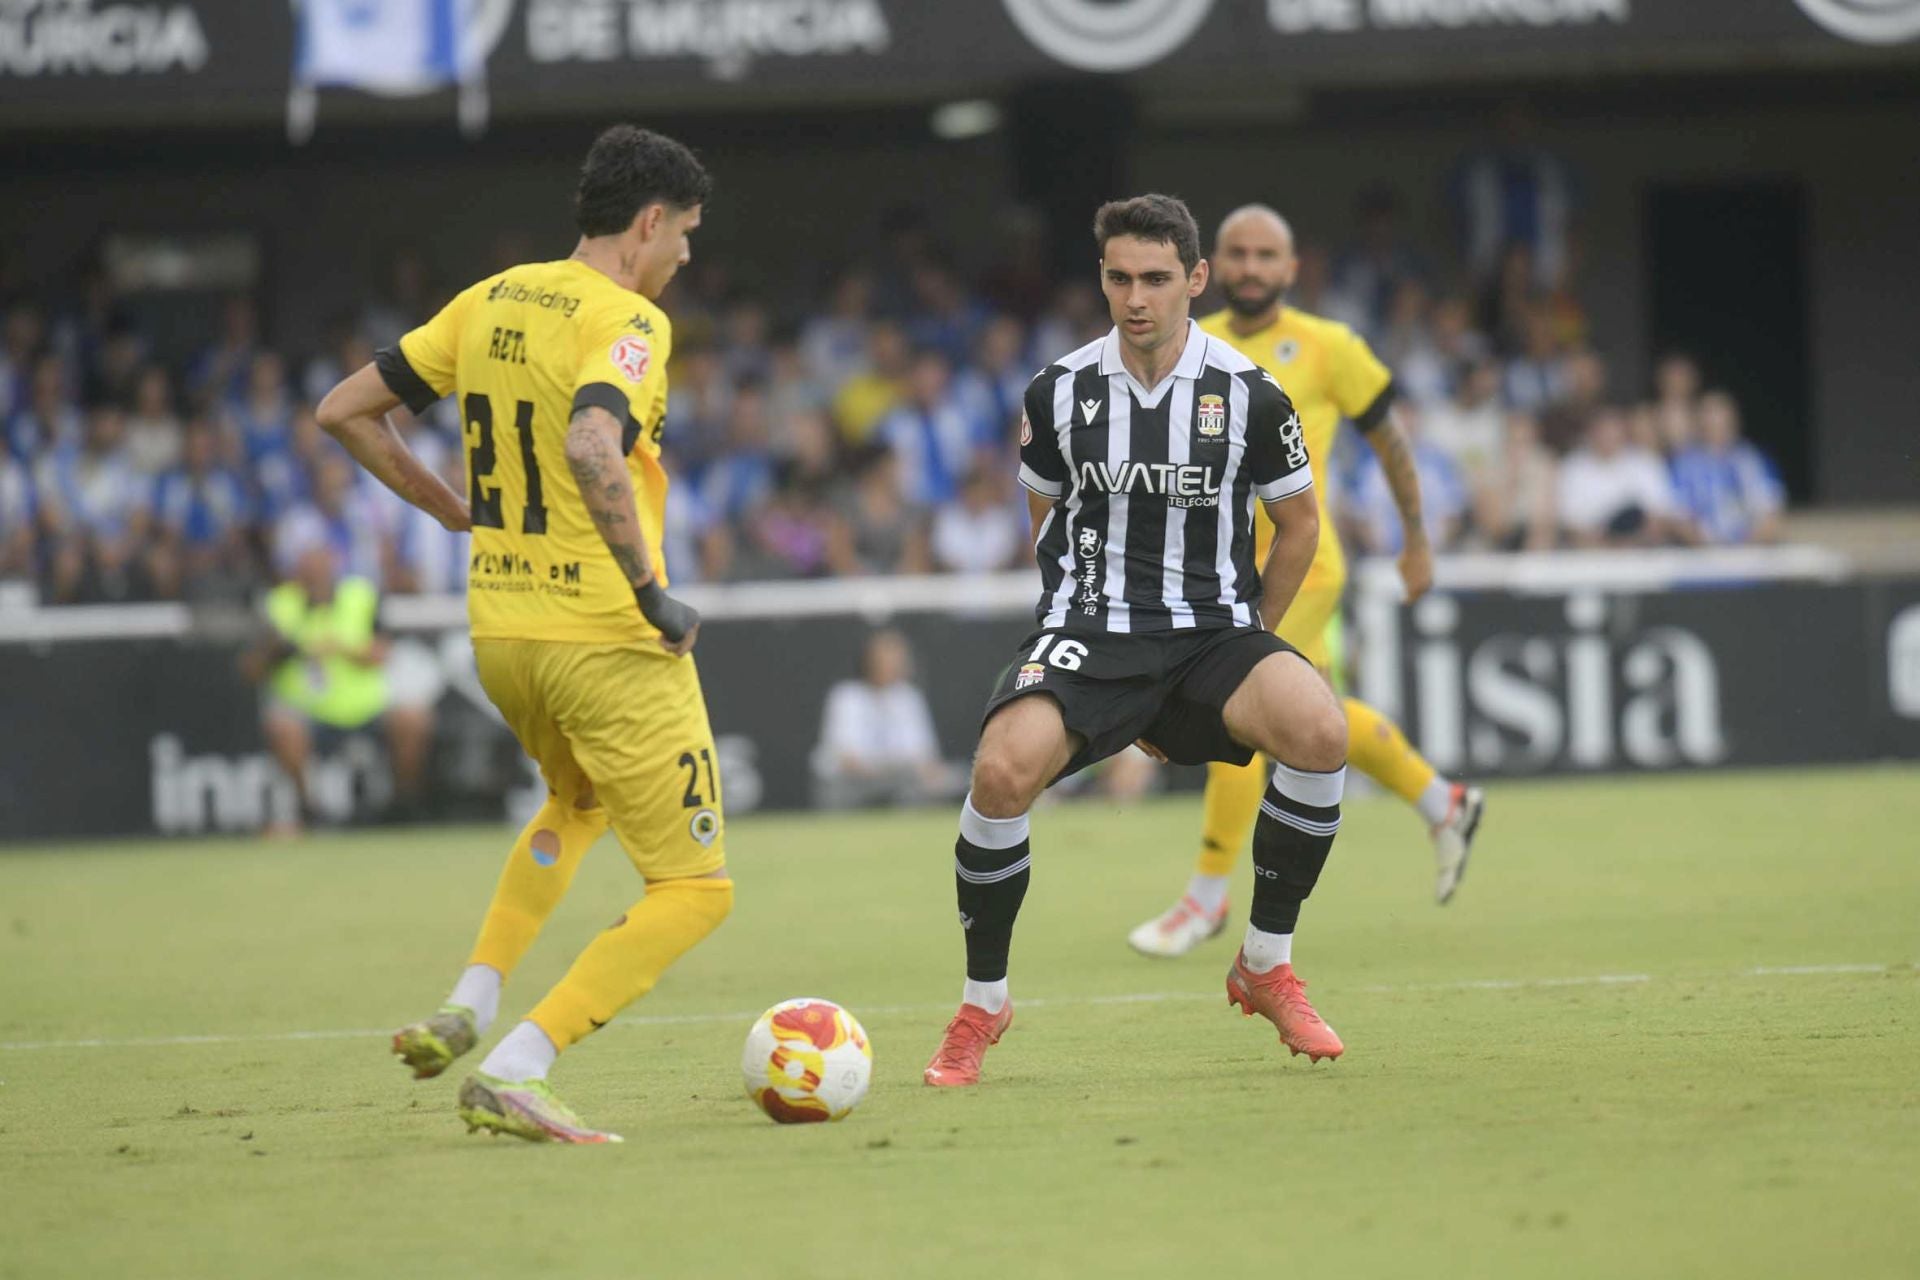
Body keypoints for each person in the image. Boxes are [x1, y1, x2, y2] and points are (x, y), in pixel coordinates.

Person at [315, 124, 727, 1144]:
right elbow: (595, 441)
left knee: (575, 800)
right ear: (649, 221)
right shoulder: (627, 319)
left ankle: (471, 1000)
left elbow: (344, 410)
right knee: (694, 887)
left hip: (502, 634)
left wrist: (448, 506)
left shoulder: (491, 297)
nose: (687, 254)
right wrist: (651, 591)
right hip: (603, 635)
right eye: (686, 233)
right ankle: (520, 1062)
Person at [923, 195, 1349, 1088]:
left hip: (1212, 633)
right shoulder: (1058, 390)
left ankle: (1265, 962)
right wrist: (1075, 613)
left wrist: (1252, 645)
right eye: (1119, 277)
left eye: (1156, 278)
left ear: (1195, 279)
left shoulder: (1249, 394)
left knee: (1321, 729)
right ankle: (982, 1004)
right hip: (1093, 631)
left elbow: (1300, 525)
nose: (1136, 297)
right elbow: (1042, 512)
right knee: (1000, 774)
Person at [1127, 205, 1487, 965]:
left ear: (1292, 270)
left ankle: (1206, 895)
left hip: (1301, 568)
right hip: (1212, 573)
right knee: (1312, 720)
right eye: (1238, 254)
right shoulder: (1190, 344)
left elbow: (1389, 438)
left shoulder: (1330, 347)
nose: (1252, 267)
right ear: (1212, 267)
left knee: (1244, 713)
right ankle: (1442, 801)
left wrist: (1416, 537)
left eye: (1267, 255)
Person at [239, 530, 434, 831]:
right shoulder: (278, 605)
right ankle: (309, 809)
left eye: (321, 561)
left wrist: (343, 649)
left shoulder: (361, 595)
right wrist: (281, 649)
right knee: (281, 725)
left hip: (366, 708)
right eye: (307, 563)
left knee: (412, 717)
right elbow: (251, 668)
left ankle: (403, 805)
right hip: (309, 711)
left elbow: (384, 654)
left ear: (334, 563)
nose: (315, 570)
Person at [813, 629, 952, 809]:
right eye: (888, 657)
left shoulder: (909, 698)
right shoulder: (847, 697)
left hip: (899, 783)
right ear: (870, 660)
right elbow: (846, 759)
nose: (895, 664)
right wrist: (884, 772)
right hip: (850, 784)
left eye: (900, 658)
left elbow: (924, 757)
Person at [1669, 391, 1785, 546]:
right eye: (1709, 417)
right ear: (1699, 423)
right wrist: (1708, 547)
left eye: (1721, 418)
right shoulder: (1683, 464)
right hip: (1701, 555)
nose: (1716, 424)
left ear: (1734, 421)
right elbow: (1679, 518)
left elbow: (1771, 515)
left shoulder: (1754, 460)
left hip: (1750, 554)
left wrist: (1746, 548)